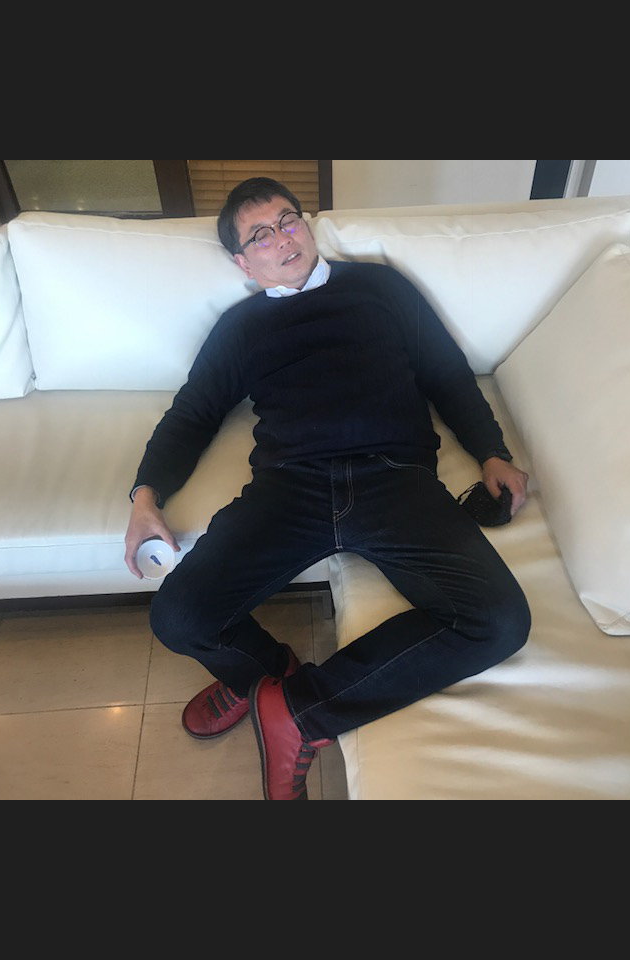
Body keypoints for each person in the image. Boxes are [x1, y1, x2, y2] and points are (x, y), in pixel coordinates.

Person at [123, 177, 531, 800]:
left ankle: (298, 709)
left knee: (500, 621)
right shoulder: (241, 327)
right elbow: (193, 414)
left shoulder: (380, 288)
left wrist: (491, 451)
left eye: (288, 220)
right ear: (242, 262)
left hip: (395, 477)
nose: (283, 238)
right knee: (178, 617)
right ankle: (268, 675)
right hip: (291, 485)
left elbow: (446, 373)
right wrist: (145, 497)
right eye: (261, 235)